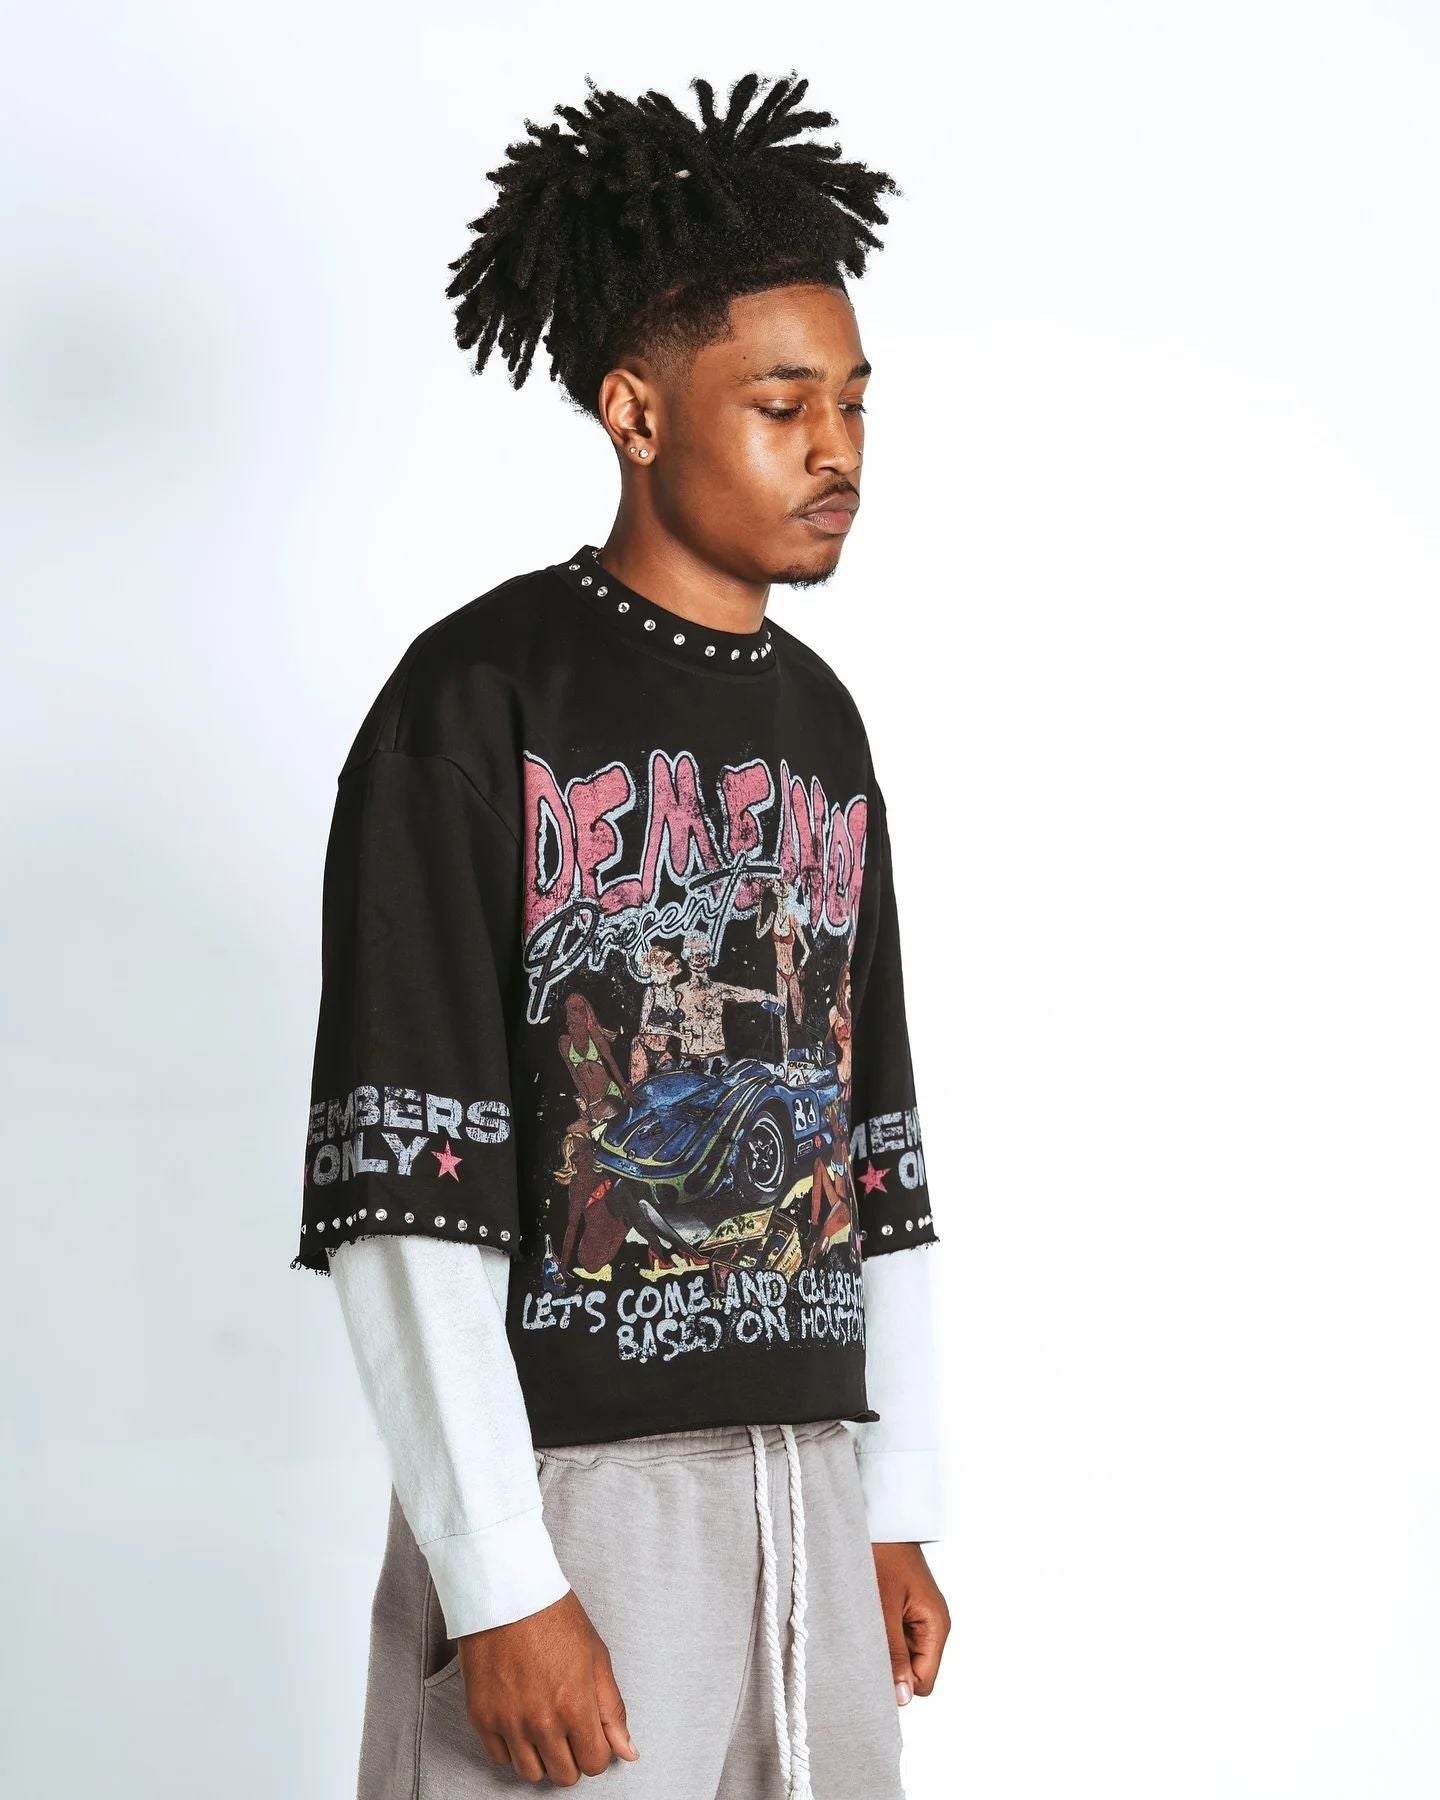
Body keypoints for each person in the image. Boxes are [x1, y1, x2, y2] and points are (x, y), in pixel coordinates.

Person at [291, 70, 950, 1797]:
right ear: (637, 412)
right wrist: (500, 1580)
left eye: (854, 404)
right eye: (782, 403)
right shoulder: (474, 702)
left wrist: (893, 1496)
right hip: (576, 1497)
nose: (835, 449)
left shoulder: (825, 725)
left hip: (810, 1477)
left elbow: (872, 1132)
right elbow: (405, 1175)